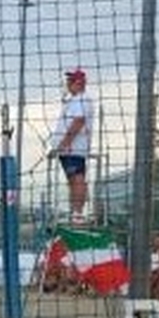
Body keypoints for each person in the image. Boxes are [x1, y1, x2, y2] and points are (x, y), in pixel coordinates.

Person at [49, 68, 96, 226]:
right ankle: (75, 213)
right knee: (72, 180)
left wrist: (65, 143)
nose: (68, 84)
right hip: (67, 150)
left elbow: (78, 121)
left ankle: (78, 213)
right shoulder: (73, 101)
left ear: (79, 83)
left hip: (74, 149)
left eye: (71, 81)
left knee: (77, 179)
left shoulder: (83, 100)